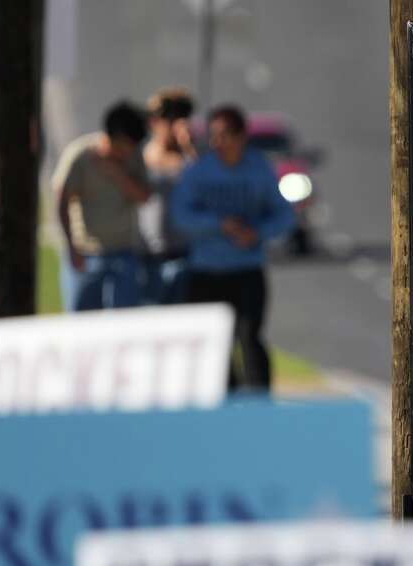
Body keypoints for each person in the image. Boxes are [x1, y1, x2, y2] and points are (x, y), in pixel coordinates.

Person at [171, 104, 294, 391]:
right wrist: (220, 224)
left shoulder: (259, 169)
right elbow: (181, 217)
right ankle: (225, 399)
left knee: (249, 336)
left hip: (247, 270)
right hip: (206, 272)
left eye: (225, 135)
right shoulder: (198, 172)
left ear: (241, 136)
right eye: (213, 135)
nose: (217, 142)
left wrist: (257, 232)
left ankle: (259, 403)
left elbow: (284, 215)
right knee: (215, 343)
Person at [52, 101, 151, 310]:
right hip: (86, 254)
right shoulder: (79, 155)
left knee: (124, 323)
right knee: (81, 322)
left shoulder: (134, 157)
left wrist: (116, 173)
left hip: (123, 252)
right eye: (126, 145)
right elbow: (62, 203)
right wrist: (71, 247)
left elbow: (143, 196)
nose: (129, 151)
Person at [140, 87, 196, 304]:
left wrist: (188, 147)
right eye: (167, 119)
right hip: (148, 256)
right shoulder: (142, 156)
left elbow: (202, 185)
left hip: (184, 252)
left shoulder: (190, 159)